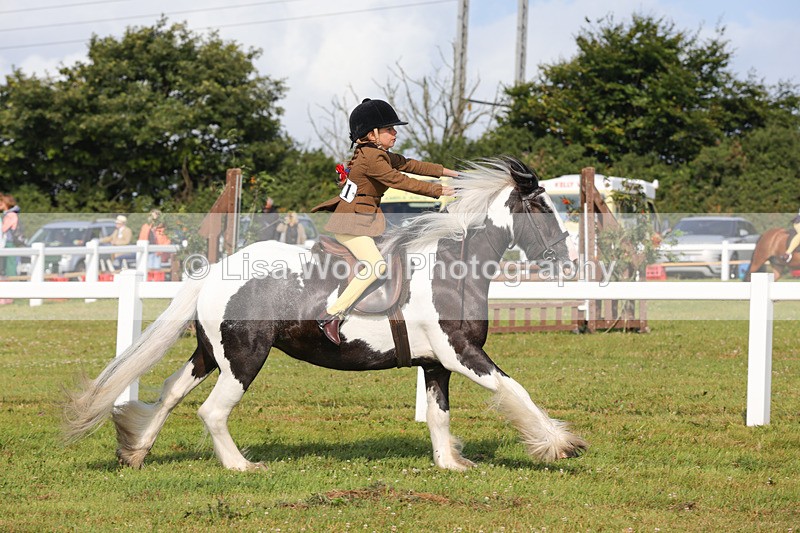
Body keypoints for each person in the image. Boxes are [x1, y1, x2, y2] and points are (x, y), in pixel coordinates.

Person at [311, 98, 457, 345]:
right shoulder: (372, 158)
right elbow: (398, 180)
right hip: (350, 224)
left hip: (362, 222)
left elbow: (411, 165)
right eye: (389, 129)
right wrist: (439, 190)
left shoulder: (376, 154)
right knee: (376, 266)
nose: (395, 133)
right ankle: (332, 315)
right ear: (372, 134)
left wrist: (450, 173)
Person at [0, 194, 21, 277]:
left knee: (10, 264)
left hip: (10, 242)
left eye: (1, 203)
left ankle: (12, 281)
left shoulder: (11, 215)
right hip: (8, 242)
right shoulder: (8, 214)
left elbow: (3, 228)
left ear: (6, 203)